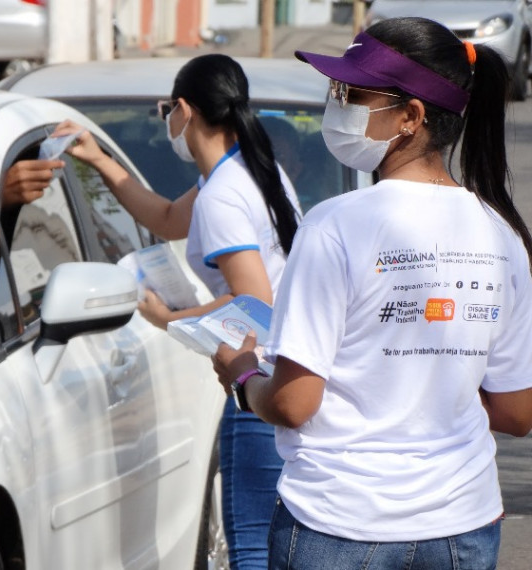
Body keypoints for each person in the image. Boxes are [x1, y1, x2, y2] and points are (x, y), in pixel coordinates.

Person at [212, 16, 532, 570]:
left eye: (353, 93)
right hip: (462, 527)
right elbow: (516, 411)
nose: (336, 104)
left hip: (339, 525)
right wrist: (425, 380)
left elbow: (293, 402)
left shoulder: (333, 225)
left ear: (410, 117)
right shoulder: (502, 235)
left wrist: (242, 376)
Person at [52, 54, 301, 569]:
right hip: (286, 368)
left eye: (167, 109)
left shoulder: (224, 196)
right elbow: (166, 219)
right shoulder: (244, 171)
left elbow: (254, 300)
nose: (168, 120)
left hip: (259, 376)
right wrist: (98, 159)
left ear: (184, 110)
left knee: (252, 546)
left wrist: (170, 318)